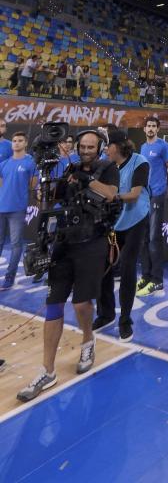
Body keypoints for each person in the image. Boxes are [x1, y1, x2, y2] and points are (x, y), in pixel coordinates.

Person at [17, 129, 119, 402]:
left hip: (92, 241)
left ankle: (88, 340)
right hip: (64, 243)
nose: (85, 150)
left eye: (90, 147)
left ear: (99, 147)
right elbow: (49, 200)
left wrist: (85, 178)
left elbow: (110, 194)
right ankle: (47, 370)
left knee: (82, 304)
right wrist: (46, 186)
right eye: (81, 146)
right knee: (54, 305)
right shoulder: (67, 170)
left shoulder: (107, 168)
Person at [94, 128, 149, 342]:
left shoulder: (140, 161)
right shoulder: (106, 165)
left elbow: (135, 195)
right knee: (104, 266)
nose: (105, 149)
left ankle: (125, 320)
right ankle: (105, 313)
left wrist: (111, 197)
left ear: (118, 146)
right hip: (114, 221)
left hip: (136, 218)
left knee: (127, 267)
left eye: (108, 145)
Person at [137, 117, 168, 297]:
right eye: (149, 126)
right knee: (144, 238)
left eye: (154, 126)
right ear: (145, 129)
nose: (151, 128)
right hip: (144, 198)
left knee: (154, 239)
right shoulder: (143, 148)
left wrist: (164, 189)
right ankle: (146, 275)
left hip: (157, 196)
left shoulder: (163, 146)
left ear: (158, 129)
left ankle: (157, 280)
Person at [0, 131, 37, 290]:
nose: (16, 143)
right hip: (1, 207)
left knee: (15, 244)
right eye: (14, 140)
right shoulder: (4, 164)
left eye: (20, 140)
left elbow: (32, 185)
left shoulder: (31, 163)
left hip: (18, 209)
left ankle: (10, 277)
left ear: (25, 143)